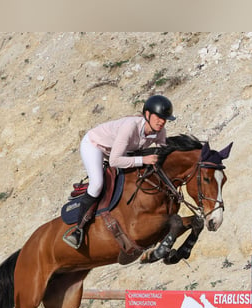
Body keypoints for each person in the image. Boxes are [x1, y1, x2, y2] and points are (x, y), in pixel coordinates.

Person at [63, 94, 176, 249]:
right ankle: (78, 230)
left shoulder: (160, 132)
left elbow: (163, 155)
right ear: (148, 115)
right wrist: (143, 160)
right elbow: (114, 161)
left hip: (118, 150)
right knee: (97, 184)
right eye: (158, 117)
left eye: (165, 119)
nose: (162, 122)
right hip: (95, 145)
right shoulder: (130, 127)